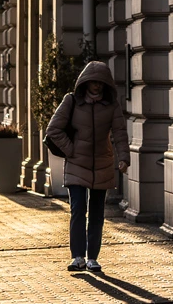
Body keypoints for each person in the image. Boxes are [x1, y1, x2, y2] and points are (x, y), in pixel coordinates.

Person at [45, 59, 128, 273]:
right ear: (85, 83)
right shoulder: (72, 101)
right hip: (76, 165)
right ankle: (77, 257)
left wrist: (124, 158)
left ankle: (93, 258)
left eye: (100, 82)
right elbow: (53, 130)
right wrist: (71, 150)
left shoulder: (111, 106)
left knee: (97, 213)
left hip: (102, 163)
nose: (97, 86)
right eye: (93, 82)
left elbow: (120, 133)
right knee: (78, 210)